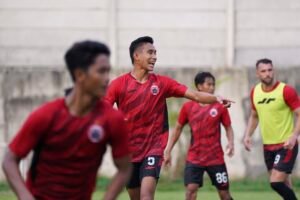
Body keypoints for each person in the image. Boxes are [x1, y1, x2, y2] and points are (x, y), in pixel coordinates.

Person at [105, 36, 233, 200]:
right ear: (136, 56)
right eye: (150, 52)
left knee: (146, 197)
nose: (155, 57)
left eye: (156, 53)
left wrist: (216, 98)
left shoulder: (162, 83)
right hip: (129, 152)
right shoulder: (118, 84)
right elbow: (103, 113)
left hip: (153, 149)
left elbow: (194, 95)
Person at [2, 40, 132, 200]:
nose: (107, 79)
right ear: (79, 75)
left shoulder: (112, 119)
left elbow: (125, 167)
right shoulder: (46, 115)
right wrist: (25, 197)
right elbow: (10, 159)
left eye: (108, 71)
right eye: (101, 71)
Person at [164, 72, 234, 200]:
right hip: (194, 158)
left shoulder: (220, 106)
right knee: (190, 190)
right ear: (199, 86)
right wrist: (168, 150)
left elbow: (228, 127)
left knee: (224, 193)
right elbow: (178, 128)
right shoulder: (188, 107)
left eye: (213, 84)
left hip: (216, 158)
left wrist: (231, 142)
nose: (212, 87)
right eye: (209, 84)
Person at [243, 58, 300, 200]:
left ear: (273, 70)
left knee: (275, 182)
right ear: (257, 74)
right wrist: (248, 135)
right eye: (263, 71)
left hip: (286, 144)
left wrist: (294, 136)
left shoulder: (286, 91)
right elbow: (254, 116)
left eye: (270, 70)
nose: (267, 74)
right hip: (268, 146)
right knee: (285, 184)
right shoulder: (255, 92)